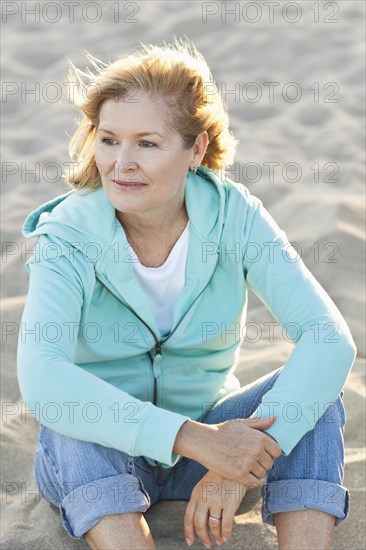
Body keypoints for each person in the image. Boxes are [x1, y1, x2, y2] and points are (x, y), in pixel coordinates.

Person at [17, 37, 357, 550]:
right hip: (102, 455)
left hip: (205, 454)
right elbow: (44, 379)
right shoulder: (66, 235)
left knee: (313, 398)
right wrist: (203, 442)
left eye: (146, 144)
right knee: (72, 418)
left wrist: (233, 464)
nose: (120, 163)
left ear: (196, 148)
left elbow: (329, 340)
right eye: (108, 140)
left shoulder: (235, 215)